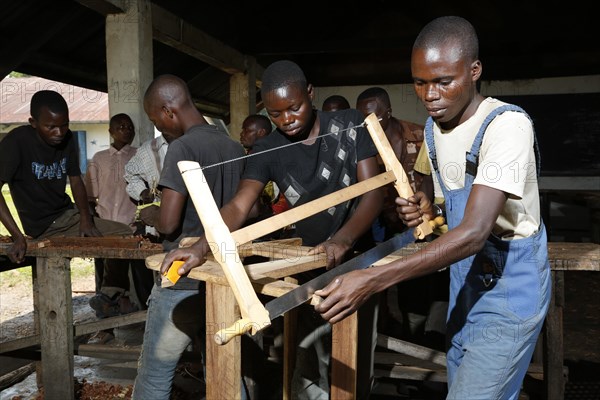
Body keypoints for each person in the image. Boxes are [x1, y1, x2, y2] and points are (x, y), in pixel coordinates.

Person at [314, 16, 551, 400]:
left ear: (474, 71)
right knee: (459, 383)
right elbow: (452, 210)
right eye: (420, 82)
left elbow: (474, 233)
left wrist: (375, 278)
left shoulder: (505, 126)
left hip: (509, 284)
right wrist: (429, 212)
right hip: (465, 281)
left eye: (444, 81)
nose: (430, 95)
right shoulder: (433, 130)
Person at [161, 60, 384, 399]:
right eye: (276, 114)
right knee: (310, 358)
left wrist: (342, 239)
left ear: (310, 94)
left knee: (353, 367)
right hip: (312, 264)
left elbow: (374, 192)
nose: (287, 120)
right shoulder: (268, 149)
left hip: (360, 261)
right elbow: (239, 205)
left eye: (294, 108)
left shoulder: (350, 125)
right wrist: (201, 246)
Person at [131, 74, 246, 399]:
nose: (161, 129)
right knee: (225, 372)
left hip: (182, 279)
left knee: (154, 377)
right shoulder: (231, 144)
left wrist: (148, 212)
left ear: (169, 111)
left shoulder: (182, 146)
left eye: (157, 121)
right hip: (224, 279)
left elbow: (168, 223)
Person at [0, 90, 136, 333]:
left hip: (68, 215)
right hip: (43, 226)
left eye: (64, 125)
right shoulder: (16, 142)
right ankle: (108, 298)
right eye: (50, 127)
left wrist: (86, 220)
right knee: (124, 235)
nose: (59, 133)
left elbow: (75, 180)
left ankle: (107, 296)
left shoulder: (68, 139)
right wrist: (18, 236)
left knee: (124, 234)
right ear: (33, 123)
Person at [85, 113, 154, 338]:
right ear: (111, 131)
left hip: (133, 227)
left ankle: (148, 324)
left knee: (142, 277)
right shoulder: (99, 159)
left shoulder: (140, 157)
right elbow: (90, 195)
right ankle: (104, 329)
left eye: (130, 126)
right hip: (104, 227)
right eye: (121, 126)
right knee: (103, 276)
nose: (127, 130)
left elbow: (148, 193)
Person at [356, 86, 433, 241]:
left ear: (389, 113)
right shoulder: (364, 149)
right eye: (363, 121)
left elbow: (430, 178)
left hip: (423, 220)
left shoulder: (421, 135)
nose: (368, 125)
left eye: (374, 119)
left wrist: (424, 210)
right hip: (385, 226)